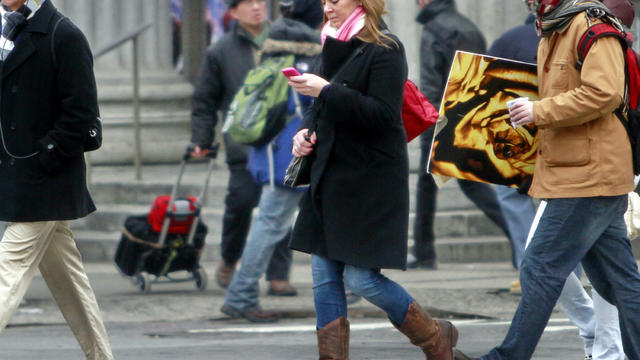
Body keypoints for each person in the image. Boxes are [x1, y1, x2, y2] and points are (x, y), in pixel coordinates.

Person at [454, 0, 640, 359]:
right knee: (620, 285)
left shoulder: (589, 25)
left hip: (590, 175)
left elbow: (605, 92)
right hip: (580, 171)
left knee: (539, 266)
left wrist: (540, 111)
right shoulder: (555, 26)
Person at [289, 0, 458, 358]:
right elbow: (318, 109)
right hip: (329, 175)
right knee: (324, 278)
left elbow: (382, 115)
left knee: (361, 278)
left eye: (335, 0)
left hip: (369, 181)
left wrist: (326, 90)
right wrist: (304, 133)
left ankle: (432, 336)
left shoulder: (387, 48)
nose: (327, 6)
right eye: (324, 0)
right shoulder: (332, 42)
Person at [0, 0, 114, 359]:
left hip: (46, 177)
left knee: (9, 269)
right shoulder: (5, 30)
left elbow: (81, 112)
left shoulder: (63, 34)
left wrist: (46, 152)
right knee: (70, 282)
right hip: (15, 174)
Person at [219, 0, 323, 323]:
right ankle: (241, 294)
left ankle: (346, 288)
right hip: (294, 158)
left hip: (272, 155)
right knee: (269, 224)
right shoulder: (308, 59)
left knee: (286, 223)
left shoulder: (274, 54)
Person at [189, 0, 297, 296]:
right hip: (244, 144)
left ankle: (278, 274)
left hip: (283, 141)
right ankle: (229, 258)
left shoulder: (286, 40)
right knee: (240, 203)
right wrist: (201, 139)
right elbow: (204, 102)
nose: (257, 7)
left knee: (279, 206)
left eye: (261, 1)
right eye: (248, 3)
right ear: (233, 12)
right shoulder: (220, 51)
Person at [412, 0, 518, 270]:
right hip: (471, 114)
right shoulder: (469, 28)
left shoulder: (433, 29)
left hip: (442, 118)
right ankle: (520, 238)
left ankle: (424, 252)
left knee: (429, 184)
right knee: (471, 183)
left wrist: (430, 125)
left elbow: (431, 81)